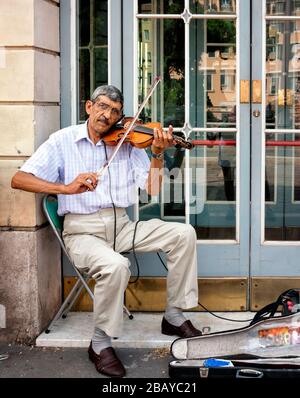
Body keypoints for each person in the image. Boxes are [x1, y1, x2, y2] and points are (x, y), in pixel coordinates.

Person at [11, 85, 201, 378]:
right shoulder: (63, 141)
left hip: (122, 226)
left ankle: (174, 316)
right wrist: (64, 188)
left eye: (114, 111)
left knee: (183, 234)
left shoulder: (128, 141)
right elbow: (19, 178)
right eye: (102, 107)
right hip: (82, 231)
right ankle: (100, 344)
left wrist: (159, 154)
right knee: (116, 265)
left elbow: (151, 189)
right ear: (89, 106)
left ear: (120, 116)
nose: (107, 115)